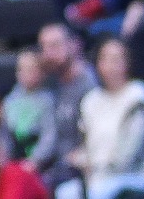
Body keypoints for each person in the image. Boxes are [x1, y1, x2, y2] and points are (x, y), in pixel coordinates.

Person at [61, 39, 144, 199]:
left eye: (116, 59)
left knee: (97, 193)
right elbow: (85, 144)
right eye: (104, 59)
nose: (110, 66)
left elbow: (130, 154)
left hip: (136, 174)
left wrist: (91, 164)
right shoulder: (91, 100)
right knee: (65, 193)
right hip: (96, 176)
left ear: (128, 63)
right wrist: (80, 158)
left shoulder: (138, 95)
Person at [34, 26, 98, 191]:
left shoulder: (91, 85)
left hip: (84, 168)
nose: (48, 54)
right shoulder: (50, 85)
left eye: (55, 46)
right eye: (44, 47)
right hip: (55, 166)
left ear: (75, 45)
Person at [2, 50, 58, 170]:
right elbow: (5, 134)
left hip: (41, 162)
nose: (27, 74)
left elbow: (49, 135)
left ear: (42, 73)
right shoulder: (10, 101)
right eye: (22, 69)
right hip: (14, 158)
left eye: (32, 69)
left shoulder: (48, 100)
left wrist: (36, 160)